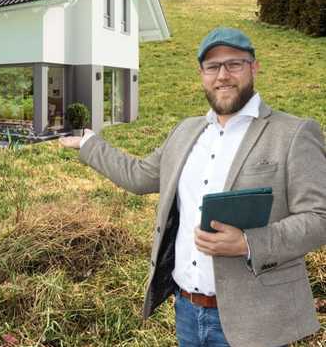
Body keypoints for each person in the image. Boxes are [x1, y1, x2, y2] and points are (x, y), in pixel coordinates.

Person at [59, 27, 326, 347]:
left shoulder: (293, 133)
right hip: (186, 310)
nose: (223, 75)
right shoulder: (185, 131)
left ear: (254, 67)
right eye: (213, 67)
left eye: (234, 64)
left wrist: (248, 242)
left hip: (255, 319)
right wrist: (89, 143)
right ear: (202, 74)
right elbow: (138, 175)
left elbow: (319, 218)